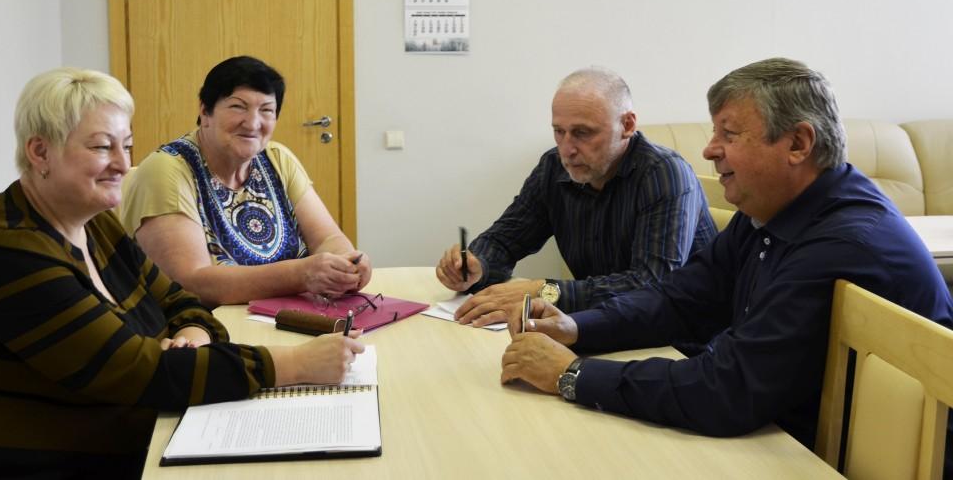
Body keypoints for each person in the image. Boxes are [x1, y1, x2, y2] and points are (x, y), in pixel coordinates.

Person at [501, 58, 953, 468]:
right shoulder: (774, 211)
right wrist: (578, 328)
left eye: (728, 135)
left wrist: (570, 374)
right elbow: (681, 299)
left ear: (798, 143)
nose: (710, 150)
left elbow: (728, 390)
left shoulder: (843, 243)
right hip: (780, 437)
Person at [0, 68, 362, 478]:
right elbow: (140, 373)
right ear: (40, 152)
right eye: (102, 147)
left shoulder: (91, 222)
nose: (122, 164)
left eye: (127, 145)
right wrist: (296, 364)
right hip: (31, 463)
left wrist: (193, 338)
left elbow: (181, 301)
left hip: (118, 433)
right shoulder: (7, 249)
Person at [436, 67, 717, 325]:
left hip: (680, 336)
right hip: (605, 324)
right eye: (559, 132)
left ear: (628, 125)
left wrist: (545, 291)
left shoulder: (663, 173)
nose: (567, 149)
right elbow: (505, 239)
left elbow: (651, 284)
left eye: (583, 133)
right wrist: (477, 266)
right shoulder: (554, 167)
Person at [121, 56, 371, 306]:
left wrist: (346, 264)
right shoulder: (167, 169)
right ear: (205, 111)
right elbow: (191, 282)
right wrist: (301, 275)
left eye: (266, 110)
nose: (253, 123)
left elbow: (328, 239)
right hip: (205, 329)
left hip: (290, 317)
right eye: (238, 107)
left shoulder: (277, 158)